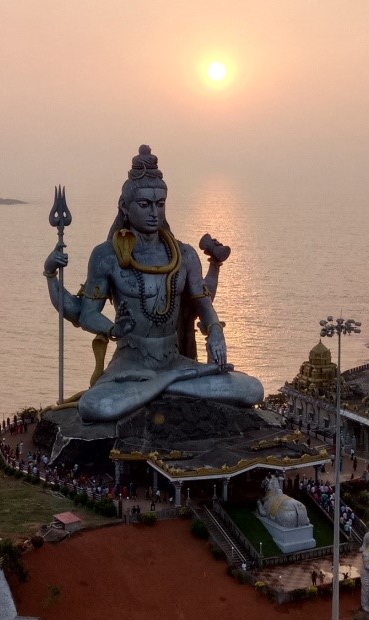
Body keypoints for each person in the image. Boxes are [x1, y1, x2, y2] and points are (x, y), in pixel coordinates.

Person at [44, 145, 263, 422]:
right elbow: (86, 313)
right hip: (130, 365)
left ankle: (161, 385)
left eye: (160, 204)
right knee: (94, 406)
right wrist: (52, 275)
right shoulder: (107, 255)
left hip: (174, 360)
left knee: (252, 389)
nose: (154, 213)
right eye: (145, 204)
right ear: (125, 207)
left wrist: (216, 331)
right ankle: (170, 385)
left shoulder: (184, 255)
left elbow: (203, 304)